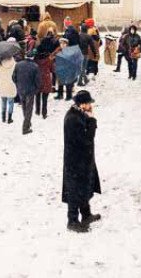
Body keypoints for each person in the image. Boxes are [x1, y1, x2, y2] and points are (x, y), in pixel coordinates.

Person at [62, 90, 101, 233]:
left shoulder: (78, 114)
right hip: (76, 161)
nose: (91, 106)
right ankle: (72, 220)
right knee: (74, 190)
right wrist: (92, 120)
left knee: (84, 187)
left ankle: (85, 214)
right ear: (82, 104)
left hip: (83, 159)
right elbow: (86, 139)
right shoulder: (73, 119)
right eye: (89, 103)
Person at [12, 51, 41, 135]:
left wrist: (18, 85)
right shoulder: (35, 66)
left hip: (21, 89)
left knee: (24, 107)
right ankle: (25, 128)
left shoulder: (18, 64)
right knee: (29, 109)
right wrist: (36, 89)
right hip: (30, 90)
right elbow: (38, 81)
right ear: (33, 57)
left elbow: (13, 77)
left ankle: (27, 122)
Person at [0, 56, 17, 123]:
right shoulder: (14, 64)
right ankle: (9, 118)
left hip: (2, 84)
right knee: (11, 102)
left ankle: (3, 117)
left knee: (3, 101)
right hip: (11, 85)